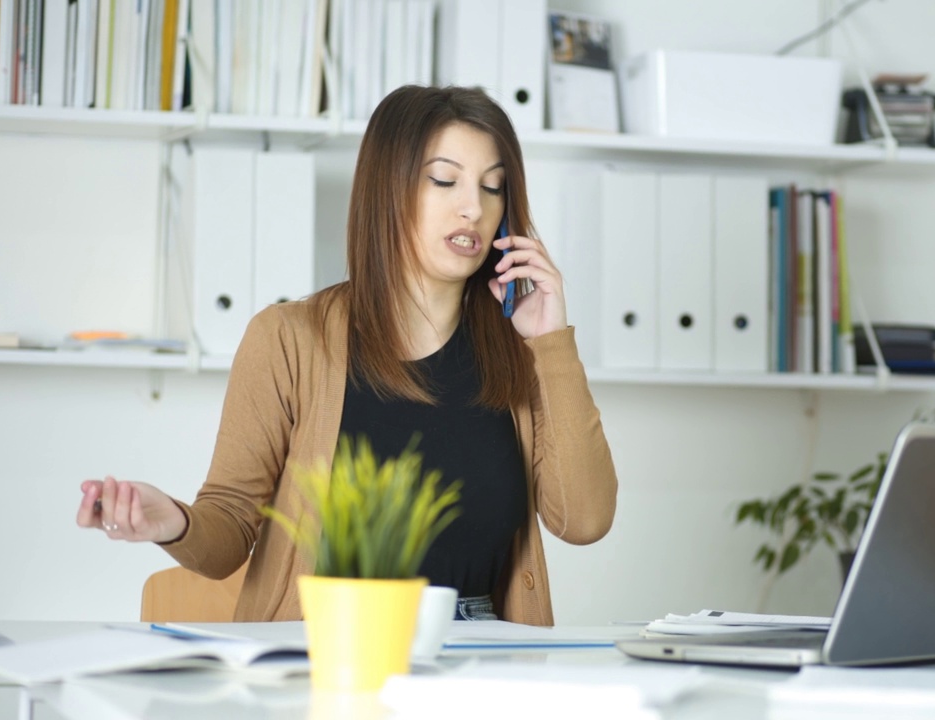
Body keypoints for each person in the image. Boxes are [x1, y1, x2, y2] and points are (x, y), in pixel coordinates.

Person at [75, 85, 618, 626]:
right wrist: (173, 521)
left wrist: (550, 342)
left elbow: (585, 520)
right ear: (389, 188)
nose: (473, 207)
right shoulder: (288, 340)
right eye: (444, 180)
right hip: (328, 652)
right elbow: (229, 529)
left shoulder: (522, 354)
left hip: (479, 658)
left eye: (493, 187)